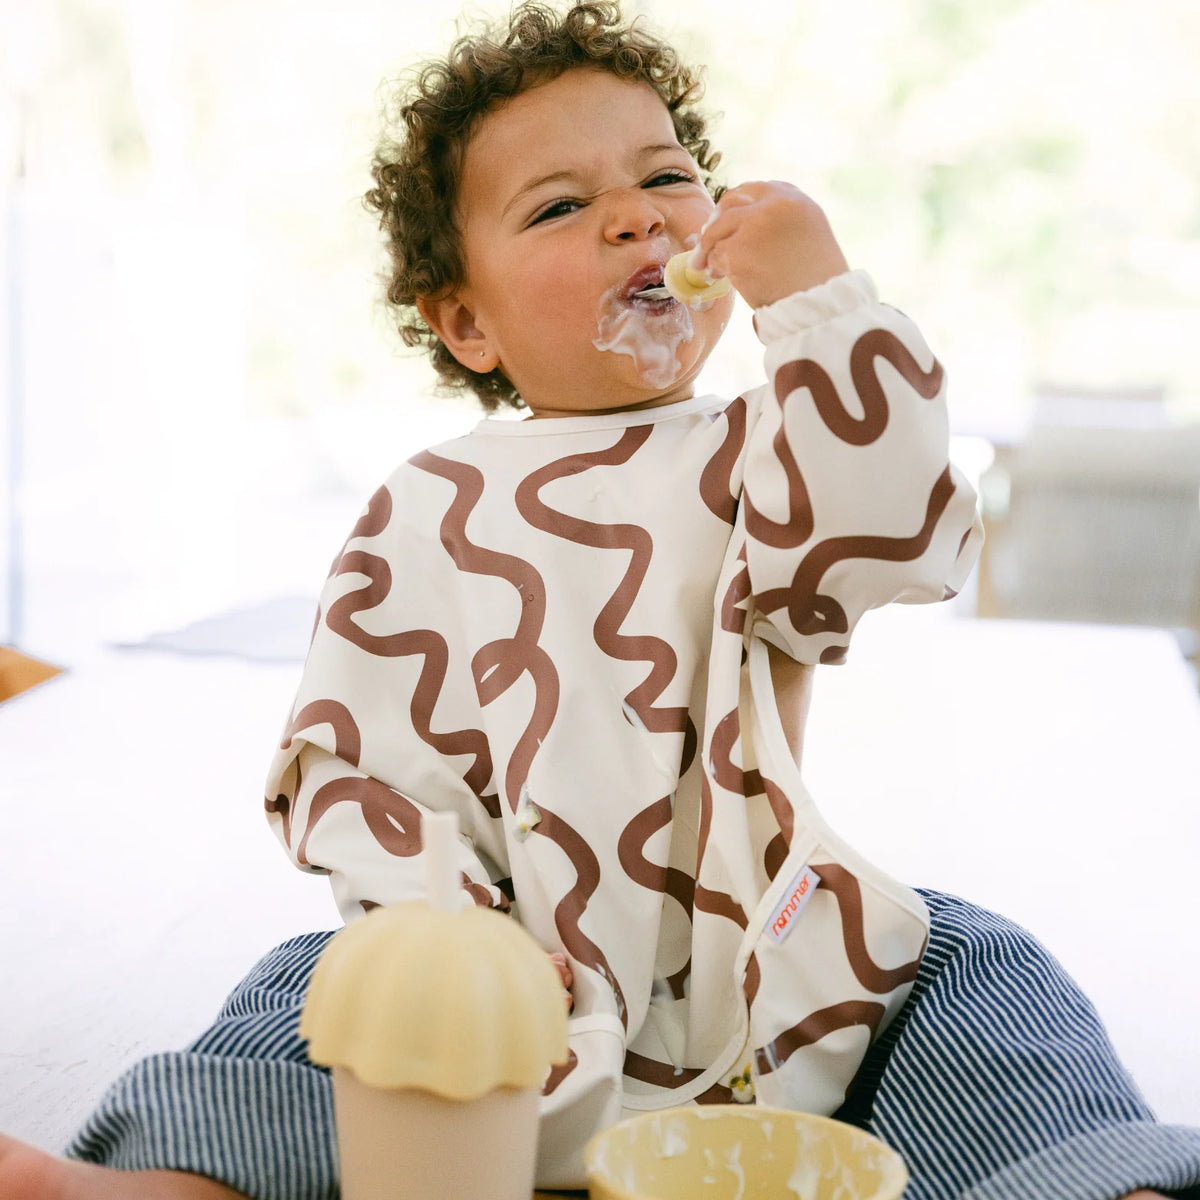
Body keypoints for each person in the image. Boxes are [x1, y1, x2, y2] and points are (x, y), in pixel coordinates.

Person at [2, 3, 1197, 1198]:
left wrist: (821, 309)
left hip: (768, 967)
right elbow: (356, 759)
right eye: (561, 206)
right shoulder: (429, 502)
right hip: (493, 975)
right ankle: (171, 1182)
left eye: (667, 178)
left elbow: (898, 534)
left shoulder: (765, 451)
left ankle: (1091, 1181)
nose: (637, 215)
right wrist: (448, 941)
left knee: (976, 965)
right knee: (303, 992)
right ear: (467, 321)